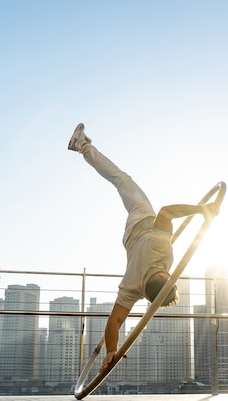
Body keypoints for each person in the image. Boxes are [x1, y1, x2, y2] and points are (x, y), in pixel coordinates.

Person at [68, 123, 218, 373]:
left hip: (142, 219)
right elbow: (113, 322)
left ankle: (81, 145)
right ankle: (83, 146)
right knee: (122, 184)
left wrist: (202, 210)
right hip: (130, 240)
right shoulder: (133, 288)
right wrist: (111, 351)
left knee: (121, 179)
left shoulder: (161, 252)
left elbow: (166, 212)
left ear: (164, 276)